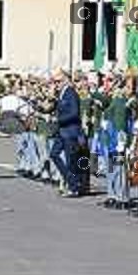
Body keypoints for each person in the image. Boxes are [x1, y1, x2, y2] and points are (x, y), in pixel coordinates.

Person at [49, 69, 84, 198]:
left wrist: (58, 120)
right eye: (54, 82)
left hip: (70, 131)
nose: (56, 84)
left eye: (58, 81)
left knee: (71, 161)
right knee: (53, 154)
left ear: (66, 80)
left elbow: (74, 113)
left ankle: (74, 187)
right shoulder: (61, 93)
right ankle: (71, 181)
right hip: (62, 131)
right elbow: (56, 109)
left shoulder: (71, 92)